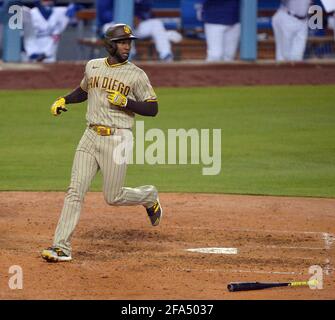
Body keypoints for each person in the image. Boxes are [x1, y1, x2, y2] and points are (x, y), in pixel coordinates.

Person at [41, 24, 163, 262]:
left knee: (113, 197)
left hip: (118, 138)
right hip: (89, 136)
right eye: (122, 42)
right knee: (75, 191)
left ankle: (149, 196)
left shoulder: (136, 74)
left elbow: (153, 108)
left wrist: (127, 102)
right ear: (110, 44)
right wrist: (64, 99)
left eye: (129, 42)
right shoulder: (93, 66)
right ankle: (61, 247)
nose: (127, 46)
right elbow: (85, 90)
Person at [97, 0, 182, 61]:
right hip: (112, 25)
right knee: (117, 26)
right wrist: (123, 18)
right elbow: (104, 13)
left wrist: (139, 18)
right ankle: (130, 55)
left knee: (156, 23)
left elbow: (146, 10)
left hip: (133, 27)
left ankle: (165, 54)